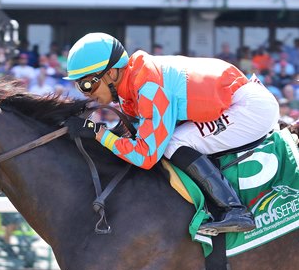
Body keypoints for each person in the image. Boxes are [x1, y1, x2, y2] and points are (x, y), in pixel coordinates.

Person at [64, 33, 280, 236]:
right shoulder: (133, 84)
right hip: (239, 102)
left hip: (249, 108)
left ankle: (235, 210)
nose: (86, 94)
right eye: (80, 86)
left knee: (173, 143)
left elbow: (146, 156)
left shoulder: (148, 87)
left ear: (111, 73)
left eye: (87, 84)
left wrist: (100, 134)